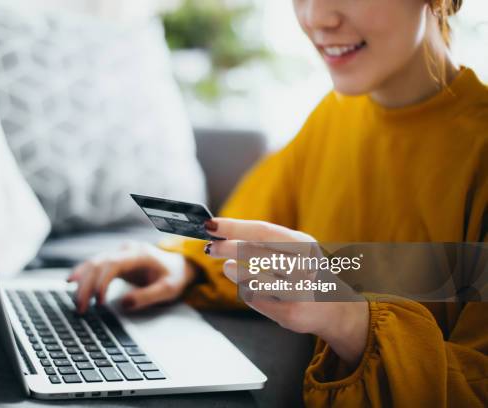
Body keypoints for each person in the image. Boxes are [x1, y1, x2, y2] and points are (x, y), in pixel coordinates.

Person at [68, 0, 487, 405]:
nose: (315, 17)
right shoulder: (334, 115)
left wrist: (347, 318)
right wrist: (184, 266)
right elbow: (255, 230)